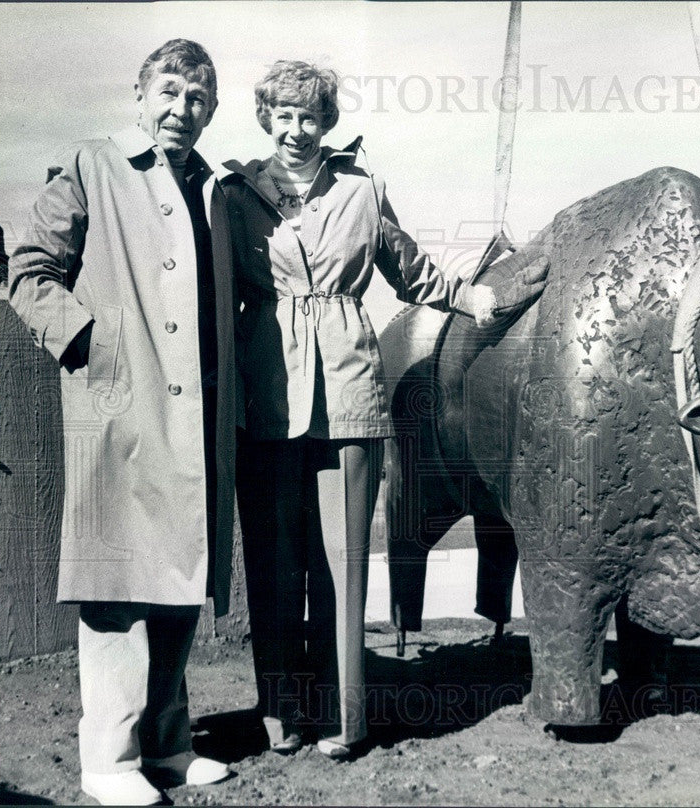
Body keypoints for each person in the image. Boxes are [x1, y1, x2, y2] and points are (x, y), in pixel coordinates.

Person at [221, 60, 547, 757]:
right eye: (283, 116)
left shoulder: (363, 191)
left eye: (310, 117)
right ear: (266, 119)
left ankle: (343, 719)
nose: (296, 130)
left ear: (326, 122)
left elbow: (411, 271)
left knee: (342, 563)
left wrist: (478, 297)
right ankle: (284, 716)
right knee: (276, 564)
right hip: (265, 395)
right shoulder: (233, 195)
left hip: (347, 392)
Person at [7, 39, 237, 806]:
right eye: (169, 92)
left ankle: (168, 747)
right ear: (140, 95)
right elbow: (28, 272)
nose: (182, 109)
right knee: (116, 583)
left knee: (178, 576)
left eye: (198, 98)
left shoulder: (212, 187)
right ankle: (108, 758)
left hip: (192, 409)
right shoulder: (92, 164)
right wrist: (93, 348)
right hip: (119, 400)